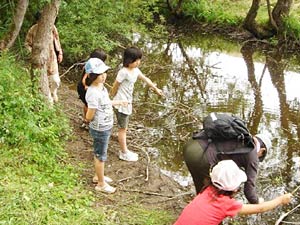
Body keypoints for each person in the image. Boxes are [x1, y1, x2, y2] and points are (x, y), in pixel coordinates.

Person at [174, 160, 292, 225]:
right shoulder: (226, 204)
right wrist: (280, 200)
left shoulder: (206, 190)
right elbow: (260, 209)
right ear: (234, 188)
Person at [183, 131, 272, 204]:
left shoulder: (241, 136)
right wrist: (257, 201)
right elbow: (249, 191)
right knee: (213, 193)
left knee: (201, 184)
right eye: (261, 155)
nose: (258, 157)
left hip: (192, 144)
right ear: (262, 150)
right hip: (201, 156)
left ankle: (197, 208)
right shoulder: (253, 156)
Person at [110, 46, 164, 161]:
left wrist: (156, 89)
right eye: (136, 60)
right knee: (122, 128)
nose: (138, 62)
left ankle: (124, 150)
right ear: (129, 61)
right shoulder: (123, 72)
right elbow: (115, 86)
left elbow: (146, 79)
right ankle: (124, 152)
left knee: (123, 127)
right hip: (121, 103)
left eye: (139, 60)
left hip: (127, 102)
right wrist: (111, 100)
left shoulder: (135, 71)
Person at [85, 58, 127, 193]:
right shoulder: (92, 92)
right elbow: (89, 116)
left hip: (106, 126)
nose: (103, 76)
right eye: (99, 74)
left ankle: (98, 176)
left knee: (100, 153)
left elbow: (106, 103)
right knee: (100, 156)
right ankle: (101, 184)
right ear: (91, 76)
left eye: (104, 73)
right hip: (100, 129)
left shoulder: (101, 87)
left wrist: (118, 102)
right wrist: (89, 118)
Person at [25, 12, 63, 103]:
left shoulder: (52, 27)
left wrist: (60, 52)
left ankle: (53, 92)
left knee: (55, 80)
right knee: (42, 79)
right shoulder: (33, 29)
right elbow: (27, 44)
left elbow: (56, 40)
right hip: (39, 59)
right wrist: (33, 54)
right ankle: (48, 98)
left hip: (52, 57)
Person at [77, 49, 107, 129]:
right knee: (88, 105)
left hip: (88, 87)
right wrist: (86, 86)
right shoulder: (90, 66)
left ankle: (87, 120)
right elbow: (84, 79)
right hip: (84, 88)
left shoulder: (98, 67)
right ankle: (87, 121)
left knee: (89, 104)